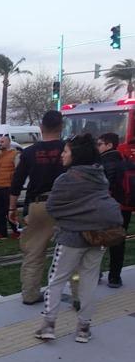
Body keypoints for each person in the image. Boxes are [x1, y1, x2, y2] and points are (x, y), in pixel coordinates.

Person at [34, 133, 122, 343]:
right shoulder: (99, 176)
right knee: (89, 282)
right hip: (98, 237)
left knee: (57, 280)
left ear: (76, 155)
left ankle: (48, 325)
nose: (62, 155)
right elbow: (96, 203)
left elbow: (54, 208)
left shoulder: (65, 179)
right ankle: (83, 329)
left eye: (66, 151)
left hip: (70, 238)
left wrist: (75, 219)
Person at [9, 110, 66, 305]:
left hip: (38, 205)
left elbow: (16, 182)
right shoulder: (69, 149)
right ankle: (78, 297)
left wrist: (11, 210)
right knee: (73, 251)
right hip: (67, 206)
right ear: (61, 127)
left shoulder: (29, 152)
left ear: (41, 128)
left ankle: (30, 294)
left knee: (34, 253)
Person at [97, 132, 130, 288]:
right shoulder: (124, 160)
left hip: (105, 207)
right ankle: (115, 277)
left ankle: (95, 273)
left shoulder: (103, 163)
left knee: (97, 240)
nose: (97, 147)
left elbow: (103, 186)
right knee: (118, 241)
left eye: (100, 144)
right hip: (124, 207)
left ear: (109, 145)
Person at [0, 135, 21, 239]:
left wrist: (16, 186)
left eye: (2, 142)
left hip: (9, 187)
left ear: (8, 142)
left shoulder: (15, 154)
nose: (0, 144)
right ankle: (1, 232)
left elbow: (18, 172)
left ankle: (17, 230)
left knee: (10, 210)